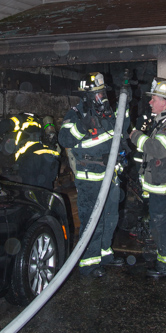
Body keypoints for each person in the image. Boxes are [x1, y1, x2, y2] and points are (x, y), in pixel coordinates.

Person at [58, 72, 128, 279]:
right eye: (96, 93)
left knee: (110, 216)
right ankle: (88, 263)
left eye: (102, 92)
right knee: (92, 220)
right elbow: (64, 139)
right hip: (90, 177)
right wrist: (84, 126)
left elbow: (122, 130)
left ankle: (104, 254)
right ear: (86, 96)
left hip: (111, 175)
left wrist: (126, 107)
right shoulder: (76, 114)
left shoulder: (108, 113)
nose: (101, 97)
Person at [129, 78, 166, 280]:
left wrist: (135, 136)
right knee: (160, 227)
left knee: (165, 227)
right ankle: (165, 261)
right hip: (160, 189)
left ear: (164, 101)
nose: (150, 102)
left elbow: (158, 149)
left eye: (153, 99)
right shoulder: (163, 122)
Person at [0, 113, 61, 190]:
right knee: (46, 189)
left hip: (30, 157)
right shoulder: (41, 122)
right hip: (48, 157)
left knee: (30, 190)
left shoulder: (20, 119)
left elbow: (0, 127)